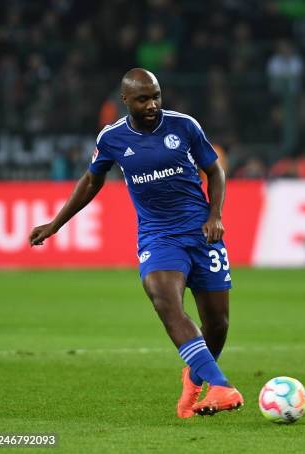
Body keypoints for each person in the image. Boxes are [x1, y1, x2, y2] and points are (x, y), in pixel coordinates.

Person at [29, 68, 243, 417]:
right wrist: (55, 224)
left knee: (218, 324)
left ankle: (195, 376)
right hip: (158, 236)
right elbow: (91, 181)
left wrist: (214, 215)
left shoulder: (184, 126)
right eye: (143, 98)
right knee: (164, 298)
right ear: (126, 100)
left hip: (201, 233)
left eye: (156, 96)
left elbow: (215, 171)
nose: (153, 104)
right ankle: (220, 386)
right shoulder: (112, 138)